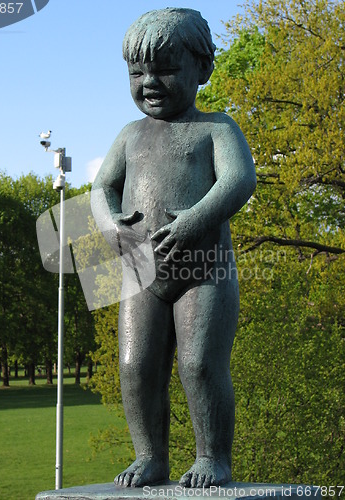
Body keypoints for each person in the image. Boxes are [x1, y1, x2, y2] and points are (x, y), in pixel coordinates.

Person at [91, 8, 256, 488]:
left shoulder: (215, 128)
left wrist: (196, 220)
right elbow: (102, 189)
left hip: (203, 271)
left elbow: (239, 180)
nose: (150, 81)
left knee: (199, 363)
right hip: (141, 269)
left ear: (201, 68)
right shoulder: (129, 135)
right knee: (134, 365)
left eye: (165, 68)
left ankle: (213, 457)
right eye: (137, 72)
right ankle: (150, 456)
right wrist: (108, 224)